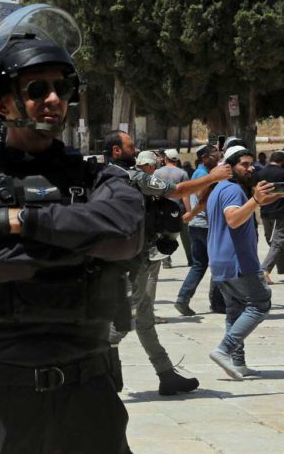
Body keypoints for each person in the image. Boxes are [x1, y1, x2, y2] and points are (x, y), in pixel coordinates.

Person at [0, 4, 143, 452]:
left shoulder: (98, 177)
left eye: (63, 87)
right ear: (3, 104)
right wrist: (85, 248)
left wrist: (19, 220)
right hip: (2, 398)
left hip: (89, 395)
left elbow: (126, 233)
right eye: (37, 89)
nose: (54, 99)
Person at [103, 140, 225, 396]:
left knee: (145, 320)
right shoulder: (132, 177)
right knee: (125, 321)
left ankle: (166, 374)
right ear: (116, 150)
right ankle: (104, 370)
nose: (135, 149)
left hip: (134, 256)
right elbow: (178, 190)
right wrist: (212, 177)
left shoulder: (108, 175)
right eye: (129, 146)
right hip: (133, 260)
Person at [207, 146, 283, 378]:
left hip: (221, 260)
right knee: (260, 303)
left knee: (235, 310)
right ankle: (224, 349)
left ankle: (237, 363)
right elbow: (233, 219)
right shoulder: (231, 190)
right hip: (238, 261)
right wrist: (255, 202)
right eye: (245, 164)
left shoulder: (218, 189)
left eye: (251, 164)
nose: (250, 169)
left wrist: (267, 198)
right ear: (229, 167)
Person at [175, 144, 227, 316]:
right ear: (204, 158)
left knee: (199, 265)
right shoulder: (205, 175)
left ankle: (183, 298)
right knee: (217, 263)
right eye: (214, 155)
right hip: (206, 225)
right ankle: (218, 302)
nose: (218, 158)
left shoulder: (200, 173)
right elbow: (202, 199)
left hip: (197, 226)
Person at [257, 151, 284, 281]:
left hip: (265, 211)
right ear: (283, 161)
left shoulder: (261, 173)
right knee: (278, 242)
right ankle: (265, 270)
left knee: (275, 243)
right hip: (281, 212)